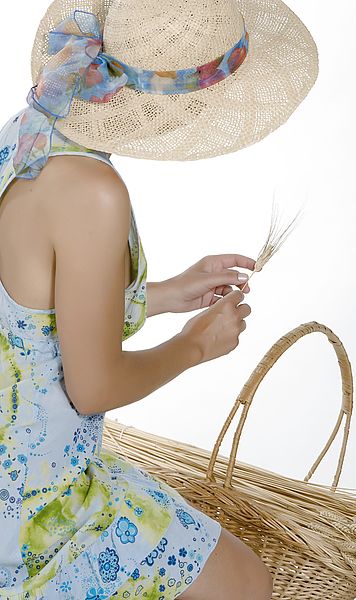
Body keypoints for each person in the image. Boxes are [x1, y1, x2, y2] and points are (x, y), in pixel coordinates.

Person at [0, 0, 318, 598]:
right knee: (249, 584)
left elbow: (31, 309)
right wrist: (193, 345)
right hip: (26, 502)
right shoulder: (95, 193)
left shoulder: (30, 130)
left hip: (11, 439)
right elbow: (92, 388)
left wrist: (164, 294)